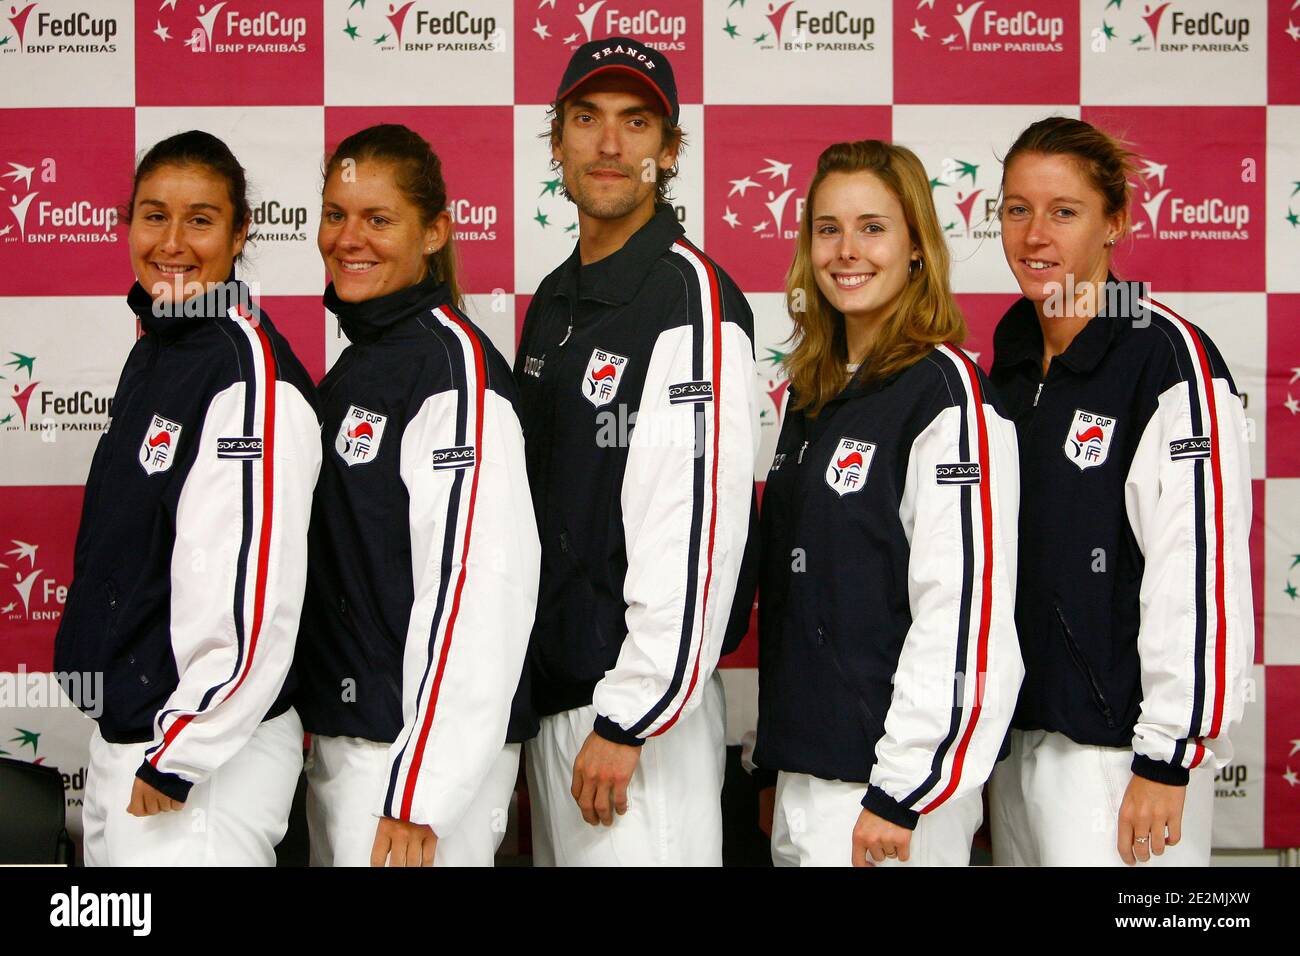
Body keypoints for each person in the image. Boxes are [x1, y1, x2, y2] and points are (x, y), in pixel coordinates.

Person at [514, 37, 760, 866]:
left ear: (670, 150)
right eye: (586, 119)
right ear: (556, 141)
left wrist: (633, 714)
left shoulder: (689, 296)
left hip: (638, 728)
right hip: (563, 707)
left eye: (635, 121)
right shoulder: (554, 299)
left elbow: (693, 535)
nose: (609, 145)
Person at [986, 116, 1253, 867]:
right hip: (1015, 746)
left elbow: (1197, 568)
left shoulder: (1168, 359)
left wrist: (1168, 756)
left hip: (1120, 762)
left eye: (1063, 212)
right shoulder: (1001, 367)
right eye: (1016, 209)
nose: (1035, 235)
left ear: (1115, 225)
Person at [53, 130, 322, 866]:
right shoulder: (161, 350)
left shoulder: (245, 373)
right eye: (153, 215)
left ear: (240, 235)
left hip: (201, 764)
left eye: (201, 220)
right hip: (133, 743)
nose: (172, 242)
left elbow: (256, 591)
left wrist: (185, 750)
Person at [752, 140, 1023, 867]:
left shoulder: (945, 395)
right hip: (810, 780)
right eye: (827, 228)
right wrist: (779, 762)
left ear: (915, 248)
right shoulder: (812, 395)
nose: (847, 250)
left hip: (894, 797)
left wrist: (901, 791)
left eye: (873, 227)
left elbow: (960, 615)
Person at [294, 124, 540, 868]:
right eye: (335, 214)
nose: (348, 238)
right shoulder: (362, 364)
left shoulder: (451, 371)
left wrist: (420, 789)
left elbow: (478, 591)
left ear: (434, 232)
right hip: (351, 745)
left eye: (377, 218)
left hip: (411, 772)